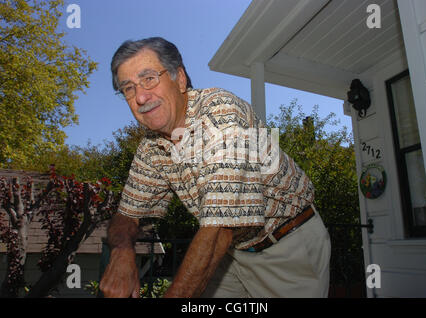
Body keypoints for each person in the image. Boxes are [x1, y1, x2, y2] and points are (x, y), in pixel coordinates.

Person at [99, 37, 331, 298]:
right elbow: (126, 215)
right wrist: (121, 251)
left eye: (149, 78)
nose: (140, 96)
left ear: (180, 79)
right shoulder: (150, 147)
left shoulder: (220, 112)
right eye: (128, 88)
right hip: (232, 253)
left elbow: (221, 228)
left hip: (287, 247)